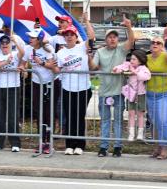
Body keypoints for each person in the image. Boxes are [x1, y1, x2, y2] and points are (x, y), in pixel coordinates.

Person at [91, 15, 135, 157]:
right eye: (110, 37)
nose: (112, 39)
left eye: (115, 37)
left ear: (117, 39)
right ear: (106, 39)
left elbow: (131, 41)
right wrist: (87, 56)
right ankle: (103, 147)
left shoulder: (121, 49)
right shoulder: (99, 51)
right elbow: (93, 67)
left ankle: (117, 146)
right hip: (104, 91)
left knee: (118, 121)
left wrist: (129, 26)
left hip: (119, 92)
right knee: (104, 121)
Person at [50, 25, 93, 155]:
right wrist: (52, 67)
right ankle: (69, 144)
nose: (69, 37)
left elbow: (91, 36)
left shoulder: (82, 48)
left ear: (76, 37)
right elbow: (57, 70)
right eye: (67, 35)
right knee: (69, 118)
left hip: (83, 88)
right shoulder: (60, 53)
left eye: (71, 35)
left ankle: (80, 145)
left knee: (79, 117)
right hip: (67, 88)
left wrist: (86, 21)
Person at [19, 28, 56, 154]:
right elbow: (22, 63)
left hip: (49, 83)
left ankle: (49, 143)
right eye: (29, 37)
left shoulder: (48, 49)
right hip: (36, 84)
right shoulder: (28, 49)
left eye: (32, 38)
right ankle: (41, 141)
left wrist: (41, 62)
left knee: (48, 113)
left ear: (39, 39)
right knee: (39, 113)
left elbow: (53, 65)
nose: (30, 39)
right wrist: (22, 69)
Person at [146, 32, 167, 160]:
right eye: (153, 42)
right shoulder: (147, 58)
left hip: (165, 93)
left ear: (162, 46)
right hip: (150, 94)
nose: (155, 44)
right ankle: (157, 147)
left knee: (163, 120)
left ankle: (165, 148)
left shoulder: (165, 56)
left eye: (158, 43)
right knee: (154, 121)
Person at [0, 35, 24, 152]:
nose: (5, 45)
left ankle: (15, 143)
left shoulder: (15, 54)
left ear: (10, 45)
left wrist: (16, 41)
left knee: (12, 116)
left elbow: (23, 53)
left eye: (7, 43)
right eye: (3, 44)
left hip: (13, 87)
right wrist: (6, 61)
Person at [112, 49, 151, 144]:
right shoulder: (128, 65)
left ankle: (140, 134)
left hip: (141, 94)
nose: (132, 61)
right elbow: (121, 67)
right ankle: (131, 133)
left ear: (140, 60)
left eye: (134, 59)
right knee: (131, 114)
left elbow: (146, 76)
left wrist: (135, 72)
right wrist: (117, 69)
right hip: (130, 94)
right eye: (131, 59)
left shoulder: (143, 68)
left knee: (140, 114)